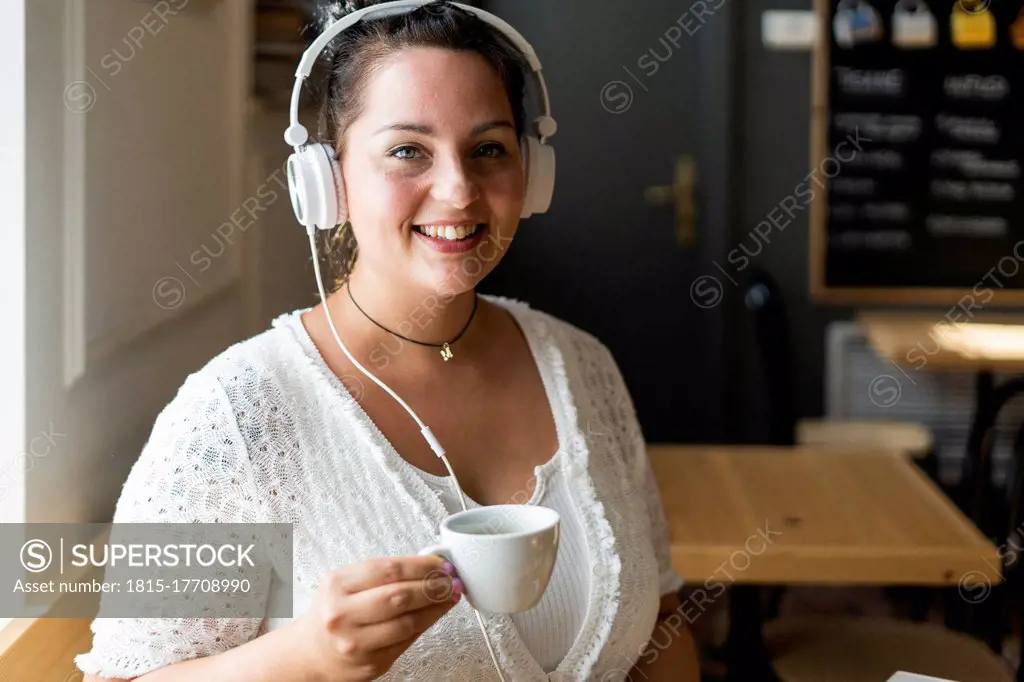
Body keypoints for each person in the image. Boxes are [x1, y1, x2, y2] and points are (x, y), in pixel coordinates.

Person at [77, 1, 699, 680]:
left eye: (488, 148)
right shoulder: (232, 418)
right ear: (325, 179)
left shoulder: (583, 367)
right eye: (408, 151)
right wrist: (305, 660)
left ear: (533, 173)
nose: (459, 191)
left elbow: (661, 625)